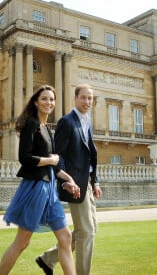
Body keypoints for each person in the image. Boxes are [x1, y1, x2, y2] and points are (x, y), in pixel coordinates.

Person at [0, 85, 79, 275]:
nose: (48, 103)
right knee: (22, 242)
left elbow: (53, 166)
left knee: (66, 237)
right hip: (35, 189)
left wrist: (69, 179)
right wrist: (50, 159)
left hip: (50, 189)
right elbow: (24, 158)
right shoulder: (32, 124)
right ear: (36, 101)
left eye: (51, 99)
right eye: (44, 99)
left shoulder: (46, 128)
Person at [37, 83, 103, 275]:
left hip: (88, 183)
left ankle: (47, 259)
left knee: (89, 229)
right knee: (87, 232)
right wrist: (66, 180)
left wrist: (95, 181)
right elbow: (59, 155)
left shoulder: (87, 121)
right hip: (74, 184)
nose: (87, 101)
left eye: (90, 98)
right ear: (75, 99)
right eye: (83, 97)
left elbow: (90, 155)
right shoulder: (67, 121)